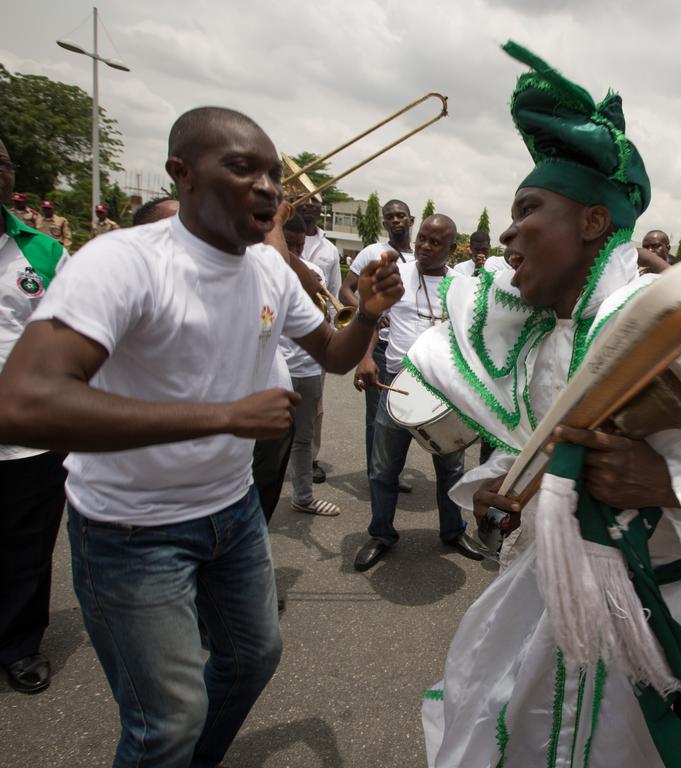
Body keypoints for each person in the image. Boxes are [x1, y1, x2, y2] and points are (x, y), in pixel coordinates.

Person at [410, 43, 681, 766]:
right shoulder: (545, 338)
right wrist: (509, 488)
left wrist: (665, 485)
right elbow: (540, 449)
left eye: (528, 209)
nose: (508, 233)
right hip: (546, 610)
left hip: (661, 631)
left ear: (592, 224)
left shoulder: (676, 330)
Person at [0, 106, 402, 767]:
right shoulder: (122, 262)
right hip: (131, 531)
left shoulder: (269, 271)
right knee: (166, 722)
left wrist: (368, 317)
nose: (269, 186)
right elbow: (22, 403)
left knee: (251, 660)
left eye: (273, 172)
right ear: (181, 174)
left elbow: (331, 353)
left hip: (231, 512)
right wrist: (223, 417)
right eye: (243, 167)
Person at [353, 213, 483, 571]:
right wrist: (365, 357)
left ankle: (453, 531)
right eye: (422, 238)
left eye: (434, 242)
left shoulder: (464, 287)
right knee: (382, 469)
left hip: (444, 394)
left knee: (451, 469)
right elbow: (369, 316)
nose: (424, 246)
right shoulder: (397, 276)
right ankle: (381, 533)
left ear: (451, 248)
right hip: (396, 386)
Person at [0, 139, 69, 695]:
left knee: (27, 545)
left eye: (1, 162)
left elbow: (77, 335)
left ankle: (19, 645)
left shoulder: (43, 252)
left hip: (29, 437)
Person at [348, 198, 415, 491]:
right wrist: (370, 315)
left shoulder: (421, 255)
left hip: (409, 353)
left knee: (403, 418)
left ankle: (390, 473)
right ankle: (376, 475)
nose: (396, 220)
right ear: (384, 223)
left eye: (401, 215)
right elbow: (345, 288)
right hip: (378, 347)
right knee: (377, 418)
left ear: (411, 220)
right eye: (390, 217)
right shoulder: (372, 252)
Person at [280, 212, 340, 516]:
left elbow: (326, 319)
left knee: (303, 439)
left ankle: (303, 497)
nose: (295, 253)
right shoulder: (266, 270)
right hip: (275, 369)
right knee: (263, 440)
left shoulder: (314, 272)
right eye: (288, 245)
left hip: (307, 369)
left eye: (299, 246)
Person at [296, 194, 343, 484]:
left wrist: (335, 335)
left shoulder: (329, 249)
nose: (311, 203)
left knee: (315, 405)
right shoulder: (275, 237)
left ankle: (310, 457)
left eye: (317, 200)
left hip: (316, 333)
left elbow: (335, 290)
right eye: (306, 198)